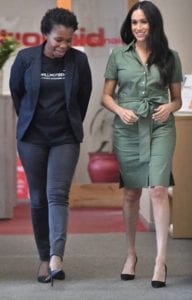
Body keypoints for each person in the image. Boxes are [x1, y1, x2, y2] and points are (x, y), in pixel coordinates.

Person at [101, 1, 182, 288]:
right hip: (128, 128)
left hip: (160, 126)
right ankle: (131, 255)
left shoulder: (170, 57)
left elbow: (177, 99)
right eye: (134, 22)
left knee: (159, 188)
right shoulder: (118, 56)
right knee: (132, 193)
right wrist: (120, 110)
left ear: (154, 24)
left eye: (144, 22)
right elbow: (106, 97)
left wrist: (170, 108)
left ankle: (161, 260)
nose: (138, 27)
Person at [9, 7, 92, 286]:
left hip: (65, 138)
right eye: (59, 40)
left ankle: (57, 256)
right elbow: (18, 95)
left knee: (57, 194)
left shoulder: (79, 62)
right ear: (46, 35)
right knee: (37, 199)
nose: (64, 46)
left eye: (69, 40)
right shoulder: (25, 59)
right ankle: (44, 257)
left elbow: (83, 99)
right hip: (32, 138)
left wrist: (68, 123)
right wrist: (32, 121)